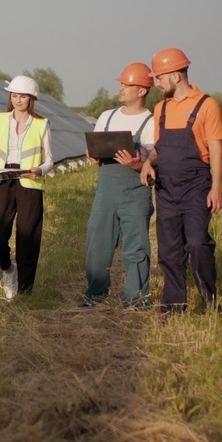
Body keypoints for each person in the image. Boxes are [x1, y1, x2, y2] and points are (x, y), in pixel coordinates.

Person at [138, 48, 222, 315]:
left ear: (175, 76)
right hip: (166, 188)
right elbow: (160, 146)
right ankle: (174, 306)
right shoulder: (160, 107)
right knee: (169, 251)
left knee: (197, 243)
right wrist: (147, 163)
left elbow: (217, 150)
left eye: (160, 77)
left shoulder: (207, 105)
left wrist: (216, 187)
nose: (156, 83)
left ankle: (210, 301)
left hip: (196, 185)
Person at [82, 63, 155, 308]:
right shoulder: (107, 116)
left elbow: (155, 162)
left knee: (136, 248)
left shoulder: (152, 122)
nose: (121, 88)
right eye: (121, 84)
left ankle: (136, 300)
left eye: (127, 84)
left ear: (142, 90)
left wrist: (137, 165)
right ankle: (95, 293)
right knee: (97, 244)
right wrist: (91, 154)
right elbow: (93, 147)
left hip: (136, 191)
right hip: (106, 189)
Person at [0, 75, 54, 300]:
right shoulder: (0, 120)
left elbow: (49, 160)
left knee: (28, 238)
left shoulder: (42, 124)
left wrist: (39, 171)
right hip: (4, 180)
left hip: (30, 183)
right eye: (14, 95)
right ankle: (8, 270)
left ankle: (25, 292)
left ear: (31, 99)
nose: (17, 100)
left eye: (22, 96)